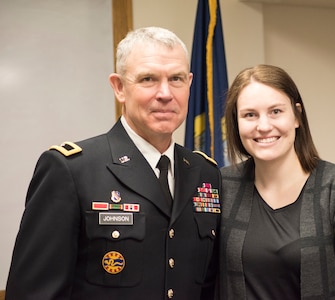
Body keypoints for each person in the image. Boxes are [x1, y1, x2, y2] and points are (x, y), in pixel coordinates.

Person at [6, 26, 221, 300]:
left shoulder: (206, 174)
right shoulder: (71, 170)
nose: (165, 93)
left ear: (190, 83)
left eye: (176, 78)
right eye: (148, 79)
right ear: (119, 87)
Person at [218, 64, 335, 299]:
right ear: (236, 122)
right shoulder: (221, 187)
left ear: (297, 116)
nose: (263, 126)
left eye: (275, 111)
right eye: (250, 115)